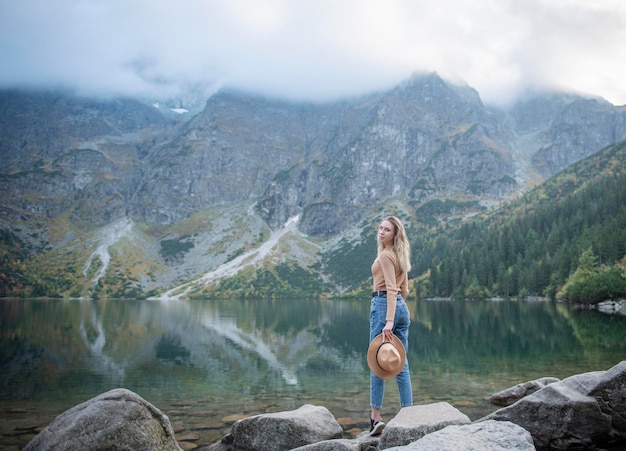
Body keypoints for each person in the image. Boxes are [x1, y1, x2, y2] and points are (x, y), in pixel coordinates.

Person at [368, 216, 413, 435]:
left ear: (395, 234)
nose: (382, 232)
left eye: (387, 229)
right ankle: (408, 412)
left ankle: (375, 418)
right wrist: (398, 313)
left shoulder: (386, 256)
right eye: (380, 228)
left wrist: (388, 320)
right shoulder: (401, 256)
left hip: (384, 305)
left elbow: (392, 289)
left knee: (377, 362)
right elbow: (404, 289)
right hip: (401, 309)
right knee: (400, 362)